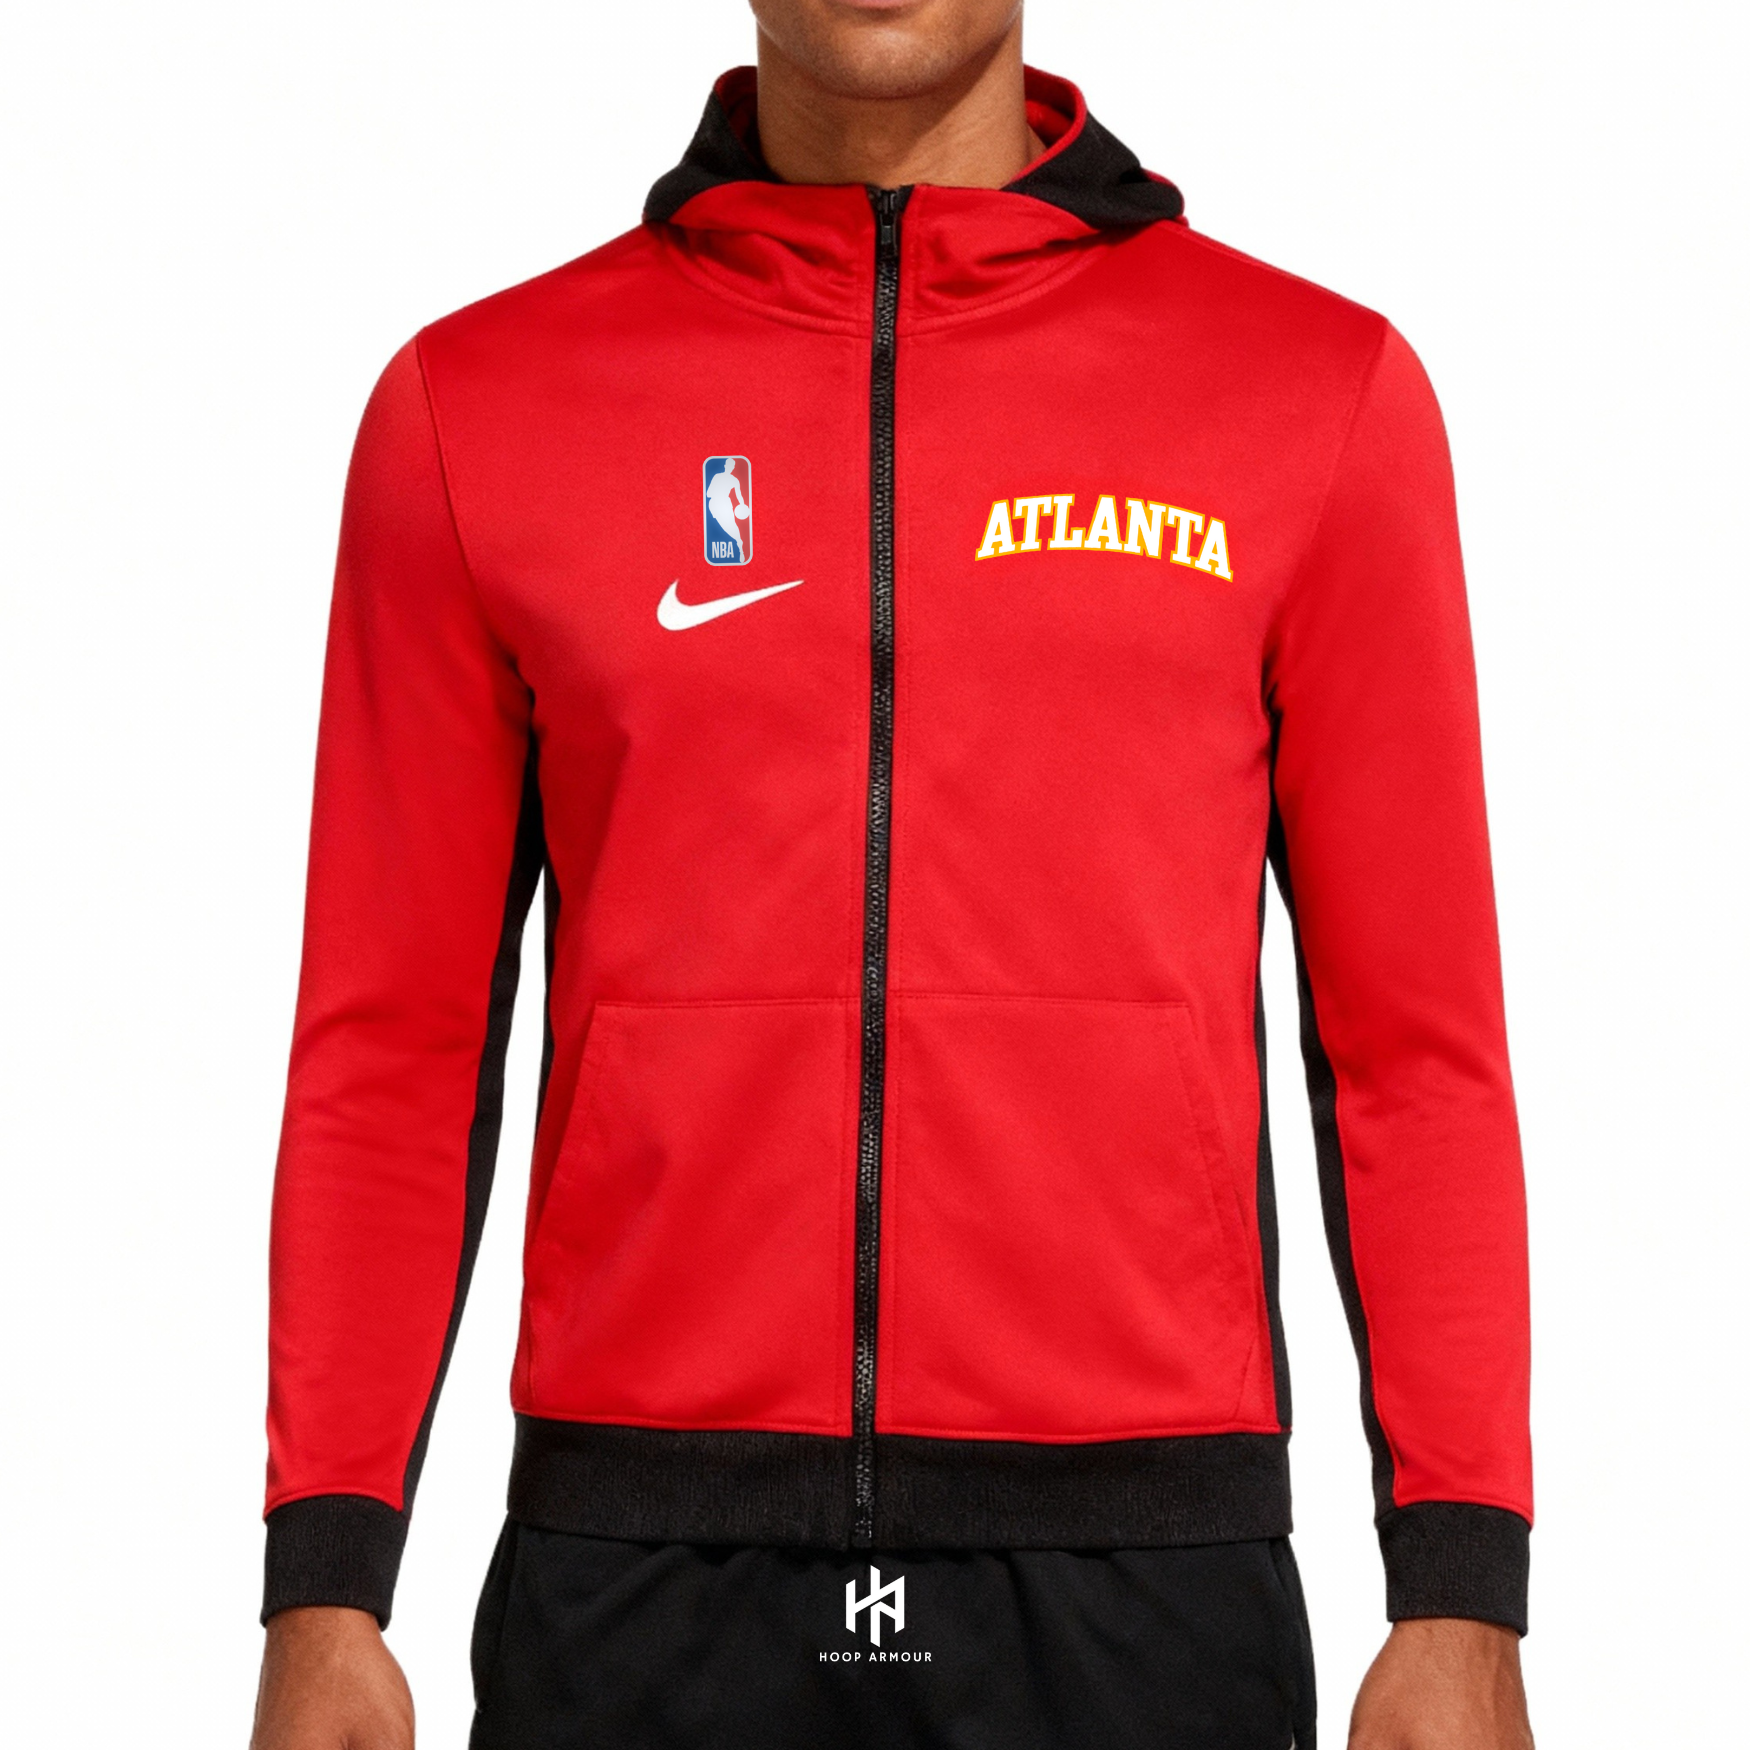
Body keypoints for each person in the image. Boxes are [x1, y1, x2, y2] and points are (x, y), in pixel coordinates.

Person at [250, 2, 1536, 1746]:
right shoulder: (477, 406)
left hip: (1142, 1569)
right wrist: (327, 1578)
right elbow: (389, 1047)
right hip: (634, 1568)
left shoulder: (1313, 390)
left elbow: (1414, 1049)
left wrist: (1458, 1586)